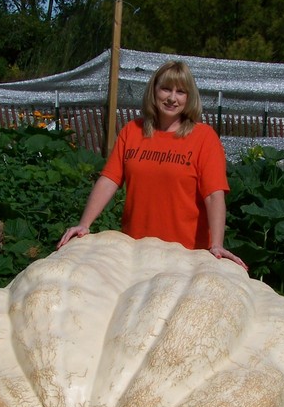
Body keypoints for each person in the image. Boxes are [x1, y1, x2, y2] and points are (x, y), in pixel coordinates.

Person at [57, 60, 248, 270]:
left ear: (189, 97)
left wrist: (217, 244)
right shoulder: (132, 131)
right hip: (136, 253)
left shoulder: (204, 138)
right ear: (154, 90)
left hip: (186, 257)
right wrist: (84, 224)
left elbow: (213, 195)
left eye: (180, 92)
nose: (172, 98)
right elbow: (109, 180)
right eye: (166, 89)